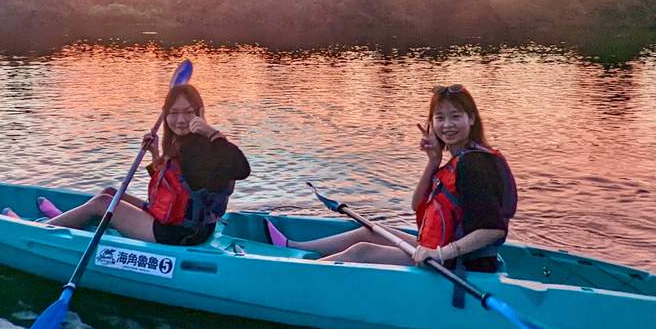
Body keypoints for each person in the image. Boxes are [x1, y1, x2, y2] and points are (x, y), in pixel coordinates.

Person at [269, 85, 515, 268]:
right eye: (440, 118)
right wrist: (433, 162)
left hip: (458, 264)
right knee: (369, 231)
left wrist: (440, 254)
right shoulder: (459, 159)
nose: (447, 125)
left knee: (362, 251)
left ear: (471, 119)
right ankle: (293, 248)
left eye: (455, 116)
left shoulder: (475, 165)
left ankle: (290, 274)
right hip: (438, 251)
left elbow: (492, 230)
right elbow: (416, 206)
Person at [32, 83, 250, 246]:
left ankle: (39, 231)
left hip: (181, 233)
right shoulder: (183, 143)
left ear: (200, 113)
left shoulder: (202, 146)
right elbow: (176, 186)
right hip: (177, 223)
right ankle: (72, 222)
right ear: (165, 116)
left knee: (103, 203)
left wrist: (210, 131)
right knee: (110, 192)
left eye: (188, 112)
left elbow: (242, 169)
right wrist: (155, 153)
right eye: (173, 113)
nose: (181, 119)